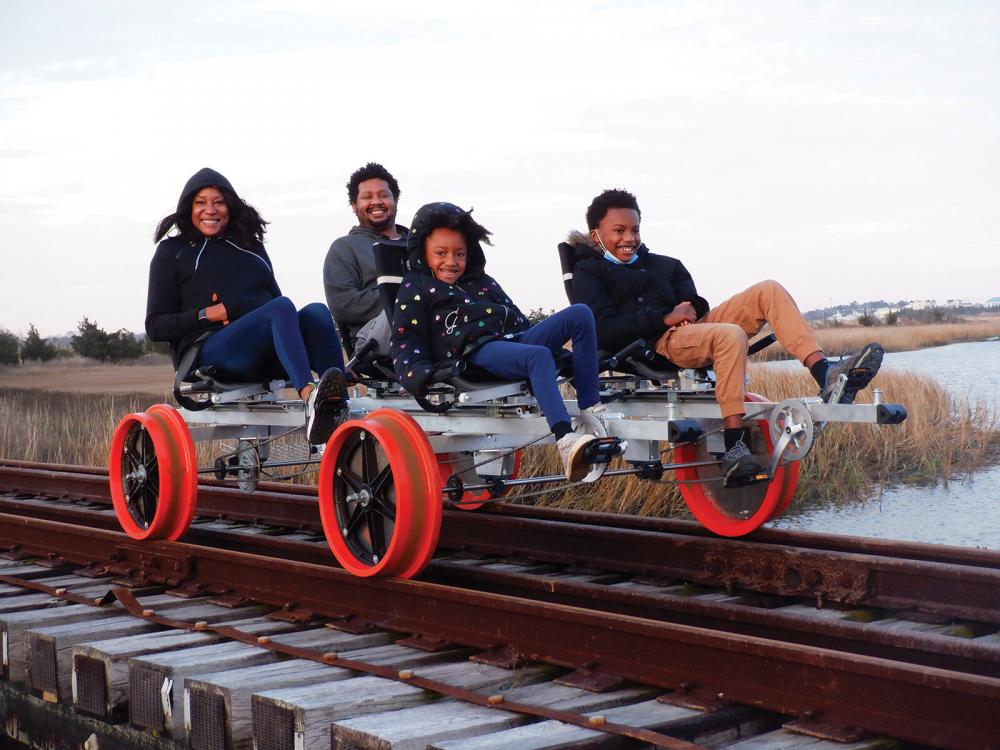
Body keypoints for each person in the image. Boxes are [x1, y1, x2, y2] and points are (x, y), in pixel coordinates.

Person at [568, 188, 883, 487]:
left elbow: (694, 299)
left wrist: (691, 308)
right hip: (658, 343)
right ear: (596, 235)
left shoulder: (664, 265)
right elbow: (602, 329)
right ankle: (734, 446)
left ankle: (824, 372)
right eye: (619, 231)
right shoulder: (588, 273)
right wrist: (664, 318)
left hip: (695, 328)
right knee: (729, 335)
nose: (629, 238)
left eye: (635, 230)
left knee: (768, 290)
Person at [391, 202, 606, 481]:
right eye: (440, 253)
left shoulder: (482, 281)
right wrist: (419, 374)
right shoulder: (417, 286)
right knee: (538, 355)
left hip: (511, 339)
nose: (451, 262)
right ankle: (565, 440)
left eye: (459, 253)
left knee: (580, 313)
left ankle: (591, 407)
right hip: (474, 351)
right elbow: (406, 337)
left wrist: (559, 354)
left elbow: (515, 316)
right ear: (423, 252)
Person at [146, 167, 348, 445]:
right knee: (281, 307)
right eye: (201, 202)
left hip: (261, 351)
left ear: (229, 206)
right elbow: (155, 326)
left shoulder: (251, 247)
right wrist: (206, 315)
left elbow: (279, 307)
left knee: (316, 312)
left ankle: (339, 406)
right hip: (208, 350)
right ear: (189, 207)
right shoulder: (173, 252)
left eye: (218, 202)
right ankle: (311, 398)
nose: (210, 210)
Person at [324, 163, 409, 358]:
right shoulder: (344, 248)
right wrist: (409, 298)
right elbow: (343, 305)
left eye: (383, 195)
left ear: (395, 200)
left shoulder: (421, 246)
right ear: (354, 205)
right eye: (367, 197)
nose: (376, 201)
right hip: (374, 339)